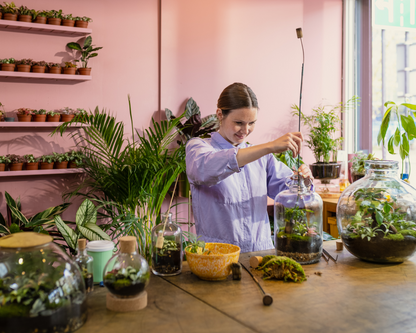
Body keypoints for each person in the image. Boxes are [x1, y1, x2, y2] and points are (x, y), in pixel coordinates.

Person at [185, 82, 313, 252]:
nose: (245, 130)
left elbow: (290, 197)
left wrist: (303, 181)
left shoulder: (263, 158)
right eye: (239, 122)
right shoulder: (198, 148)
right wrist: (269, 146)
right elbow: (206, 169)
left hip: (261, 253)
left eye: (252, 123)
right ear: (220, 114)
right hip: (218, 255)